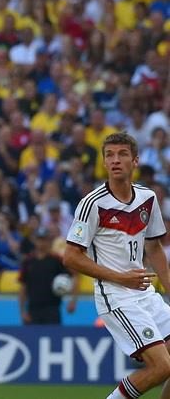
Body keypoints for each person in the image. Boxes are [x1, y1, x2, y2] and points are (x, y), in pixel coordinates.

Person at [64, 132, 170, 399]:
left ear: (135, 161)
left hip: (145, 294)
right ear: (103, 162)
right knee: (161, 366)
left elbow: (154, 247)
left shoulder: (147, 198)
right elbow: (71, 257)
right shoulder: (92, 204)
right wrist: (121, 278)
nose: (115, 160)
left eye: (122, 154)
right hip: (116, 297)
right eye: (109, 155)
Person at [19, 227, 76, 325]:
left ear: (49, 241)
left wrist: (72, 301)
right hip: (32, 310)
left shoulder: (57, 260)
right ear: (35, 240)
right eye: (39, 239)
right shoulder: (28, 261)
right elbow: (23, 287)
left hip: (52, 309)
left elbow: (74, 276)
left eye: (44, 239)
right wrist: (23, 311)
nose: (42, 243)